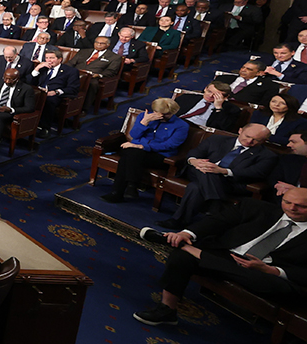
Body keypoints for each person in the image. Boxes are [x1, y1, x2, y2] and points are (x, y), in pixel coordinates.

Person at [134, 185, 307, 327]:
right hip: (227, 256)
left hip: (264, 273)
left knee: (271, 284)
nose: (291, 208)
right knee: (181, 257)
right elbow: (219, 220)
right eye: (287, 202)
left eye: (300, 206)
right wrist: (188, 234)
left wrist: (273, 270)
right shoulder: (257, 207)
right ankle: (167, 310)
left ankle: (194, 251)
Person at [160, 123, 278, 229]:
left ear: (263, 141)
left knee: (195, 187)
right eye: (247, 136)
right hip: (198, 172)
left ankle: (178, 221)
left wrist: (223, 171)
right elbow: (194, 153)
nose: (249, 141)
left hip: (229, 182)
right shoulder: (217, 139)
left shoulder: (267, 155)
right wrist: (194, 161)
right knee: (206, 170)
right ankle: (216, 205)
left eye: (256, 140)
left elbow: (255, 173)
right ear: (240, 130)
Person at [100, 98, 189, 203]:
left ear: (173, 113)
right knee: (132, 154)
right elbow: (134, 135)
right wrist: (144, 122)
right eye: (157, 113)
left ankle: (118, 192)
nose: (161, 117)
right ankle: (131, 186)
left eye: (166, 114)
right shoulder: (143, 116)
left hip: (159, 155)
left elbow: (170, 145)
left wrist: (142, 146)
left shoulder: (182, 126)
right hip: (136, 151)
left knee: (128, 156)